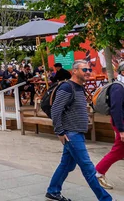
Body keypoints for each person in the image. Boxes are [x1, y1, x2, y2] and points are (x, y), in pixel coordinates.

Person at [46, 60, 112, 201]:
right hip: (71, 134)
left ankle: (53, 191)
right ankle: (106, 199)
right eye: (84, 70)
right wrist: (60, 132)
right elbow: (56, 110)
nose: (88, 72)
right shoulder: (66, 87)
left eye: (89, 69)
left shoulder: (79, 88)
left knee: (67, 165)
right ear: (75, 71)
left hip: (77, 132)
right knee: (88, 168)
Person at [95, 61, 124, 189]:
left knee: (119, 151)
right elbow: (116, 109)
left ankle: (98, 173)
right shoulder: (118, 87)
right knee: (118, 151)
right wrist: (121, 130)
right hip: (121, 123)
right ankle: (97, 173)